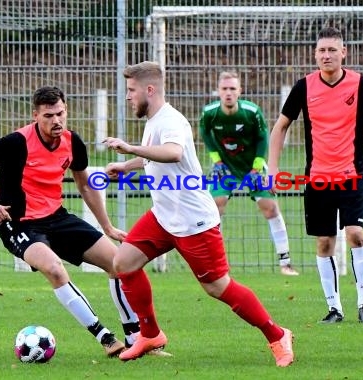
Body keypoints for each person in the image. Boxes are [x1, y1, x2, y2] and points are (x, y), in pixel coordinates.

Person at [102, 61, 294, 367]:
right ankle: (150, 334)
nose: (127, 97)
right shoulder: (153, 120)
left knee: (218, 288)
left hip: (194, 223)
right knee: (123, 263)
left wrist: (130, 149)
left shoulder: (171, 121)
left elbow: (174, 152)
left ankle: (277, 334)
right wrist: (126, 167)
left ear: (149, 90)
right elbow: (159, 157)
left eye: (131, 90)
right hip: (164, 216)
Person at [0, 86, 140, 357]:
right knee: (55, 270)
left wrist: (107, 226)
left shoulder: (72, 142)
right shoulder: (16, 143)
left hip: (57, 217)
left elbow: (85, 186)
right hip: (18, 223)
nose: (56, 120)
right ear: (36, 115)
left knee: (119, 263)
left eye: (60, 113)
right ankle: (105, 338)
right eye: (48, 116)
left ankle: (135, 338)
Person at [267, 27, 363, 323]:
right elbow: (280, 126)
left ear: (343, 53)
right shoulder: (304, 86)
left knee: (355, 233)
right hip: (317, 179)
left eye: (331, 50)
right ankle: (334, 308)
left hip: (352, 175)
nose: (326, 55)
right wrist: (272, 169)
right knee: (325, 243)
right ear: (315, 55)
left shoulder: (359, 84)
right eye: (321, 50)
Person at [199, 71, 298, 276]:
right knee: (214, 209)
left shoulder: (252, 112)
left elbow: (263, 138)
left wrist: (257, 167)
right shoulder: (209, 113)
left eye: (232, 89)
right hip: (225, 168)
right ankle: (217, 265)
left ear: (240, 91)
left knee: (270, 208)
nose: (228, 93)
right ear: (218, 91)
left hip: (252, 166)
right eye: (225, 89)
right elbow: (205, 135)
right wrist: (217, 162)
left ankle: (286, 263)